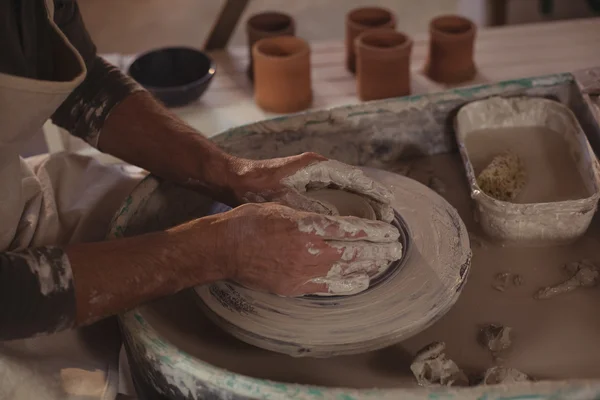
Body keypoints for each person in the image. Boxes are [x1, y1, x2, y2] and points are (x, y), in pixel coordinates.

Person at [0, 1, 402, 398]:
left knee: (139, 202)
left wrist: (230, 174)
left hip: (13, 200)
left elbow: (82, 84)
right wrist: (218, 251)